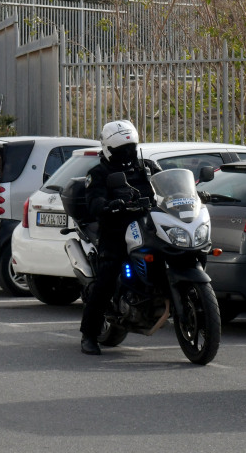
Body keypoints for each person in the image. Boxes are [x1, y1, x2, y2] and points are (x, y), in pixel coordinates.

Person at [79, 119, 162, 355]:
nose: (127, 154)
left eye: (130, 148)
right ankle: (89, 335)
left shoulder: (146, 167)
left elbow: (166, 187)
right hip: (116, 230)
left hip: (148, 226)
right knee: (107, 276)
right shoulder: (98, 173)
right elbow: (93, 201)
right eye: (121, 150)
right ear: (107, 148)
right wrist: (108, 204)